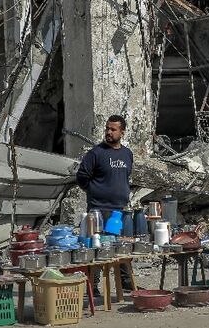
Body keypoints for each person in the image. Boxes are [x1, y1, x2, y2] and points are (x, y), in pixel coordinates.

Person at [76, 114, 134, 296]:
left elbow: (126, 176)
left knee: (122, 248)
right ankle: (92, 287)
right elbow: (82, 177)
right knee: (97, 249)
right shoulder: (96, 153)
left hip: (120, 210)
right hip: (98, 210)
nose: (109, 132)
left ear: (122, 133)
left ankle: (125, 283)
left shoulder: (127, 154)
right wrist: (95, 192)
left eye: (113, 129)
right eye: (107, 128)